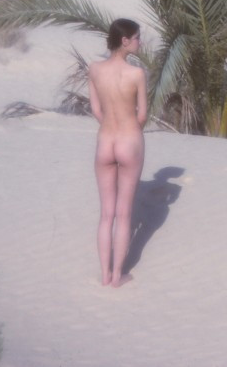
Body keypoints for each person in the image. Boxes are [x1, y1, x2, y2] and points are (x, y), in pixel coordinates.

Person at [88, 18, 147, 287]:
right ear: (125, 41)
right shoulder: (136, 74)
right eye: (137, 38)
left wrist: (110, 126)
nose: (139, 42)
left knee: (106, 215)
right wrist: (129, 131)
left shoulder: (95, 69)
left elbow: (96, 110)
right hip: (129, 141)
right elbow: (142, 115)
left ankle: (104, 274)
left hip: (105, 141)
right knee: (124, 215)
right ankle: (117, 276)